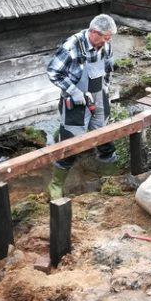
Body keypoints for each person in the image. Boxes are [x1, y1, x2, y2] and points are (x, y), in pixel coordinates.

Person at [45, 14, 118, 199]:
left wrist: (105, 89)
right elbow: (53, 71)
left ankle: (108, 176)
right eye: (105, 38)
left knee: (104, 136)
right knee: (71, 143)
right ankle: (56, 184)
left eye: (109, 38)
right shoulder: (72, 46)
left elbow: (108, 68)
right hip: (76, 99)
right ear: (94, 32)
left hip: (98, 95)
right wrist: (74, 92)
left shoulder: (105, 45)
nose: (107, 42)